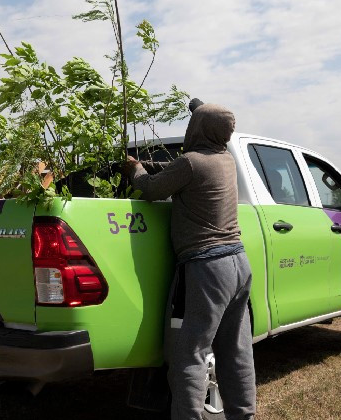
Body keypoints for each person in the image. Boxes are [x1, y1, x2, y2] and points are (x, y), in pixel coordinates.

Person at [123, 99, 255, 420]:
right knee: (236, 352)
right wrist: (196, 105)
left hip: (206, 268)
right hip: (238, 264)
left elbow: (152, 190)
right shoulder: (224, 160)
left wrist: (135, 169)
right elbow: (179, 175)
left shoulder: (191, 162)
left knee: (188, 354)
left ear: (197, 128)